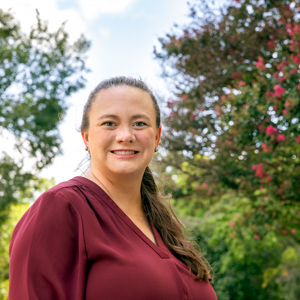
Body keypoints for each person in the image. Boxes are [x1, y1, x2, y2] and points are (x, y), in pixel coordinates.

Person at [9, 76, 218, 300]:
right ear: (86, 137)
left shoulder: (163, 224)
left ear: (157, 137)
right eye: (109, 123)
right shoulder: (60, 208)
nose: (126, 136)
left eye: (140, 123)